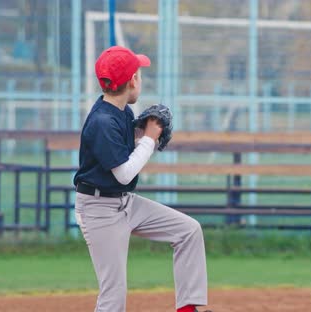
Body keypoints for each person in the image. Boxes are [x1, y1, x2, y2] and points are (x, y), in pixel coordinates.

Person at [73, 46, 209, 312]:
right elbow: (123, 174)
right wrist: (149, 137)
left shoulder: (122, 112)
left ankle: (189, 308)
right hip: (99, 209)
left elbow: (122, 151)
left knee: (188, 231)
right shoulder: (102, 121)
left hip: (125, 203)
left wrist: (140, 133)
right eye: (139, 74)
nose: (141, 80)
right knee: (114, 294)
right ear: (133, 80)